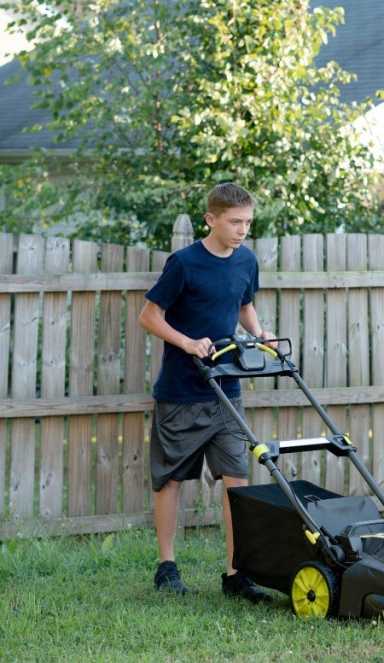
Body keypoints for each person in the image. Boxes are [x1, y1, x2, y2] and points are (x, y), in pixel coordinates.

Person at [139, 182, 274, 603]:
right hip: (181, 392)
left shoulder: (247, 260)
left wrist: (260, 333)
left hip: (226, 390)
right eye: (235, 222)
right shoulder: (184, 263)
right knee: (171, 480)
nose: (242, 231)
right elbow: (149, 316)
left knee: (237, 480)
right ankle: (167, 567)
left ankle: (236, 572)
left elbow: (243, 305)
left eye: (248, 223)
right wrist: (186, 341)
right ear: (211, 219)